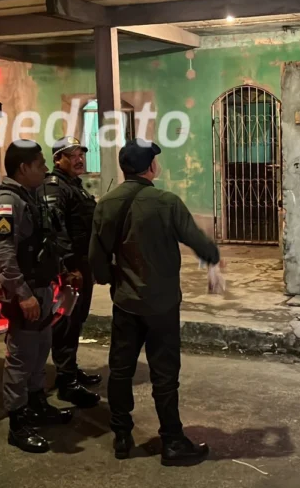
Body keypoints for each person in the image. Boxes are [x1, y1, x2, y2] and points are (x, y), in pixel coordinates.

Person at [89, 139, 222, 467]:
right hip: (162, 305)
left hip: (126, 303)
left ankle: (122, 436)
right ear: (150, 167)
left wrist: (111, 279)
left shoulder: (106, 204)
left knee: (121, 370)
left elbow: (96, 259)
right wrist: (212, 258)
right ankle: (172, 441)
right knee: (165, 374)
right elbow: (198, 241)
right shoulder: (166, 202)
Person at [0, 140, 74, 454]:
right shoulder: (7, 202)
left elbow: (44, 242)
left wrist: (62, 273)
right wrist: (23, 295)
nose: (46, 169)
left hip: (42, 289)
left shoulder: (30, 196)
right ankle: (18, 422)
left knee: (40, 350)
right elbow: (1, 252)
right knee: (21, 358)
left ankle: (37, 404)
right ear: (23, 168)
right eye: (40, 164)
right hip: (25, 292)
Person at [38, 137, 101, 408]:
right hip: (69, 268)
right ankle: (66, 382)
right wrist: (69, 267)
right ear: (57, 159)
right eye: (72, 155)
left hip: (82, 264)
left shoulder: (74, 185)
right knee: (66, 322)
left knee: (77, 319)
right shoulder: (55, 186)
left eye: (81, 154)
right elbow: (56, 229)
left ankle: (71, 370)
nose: (79, 159)